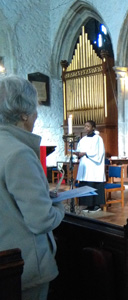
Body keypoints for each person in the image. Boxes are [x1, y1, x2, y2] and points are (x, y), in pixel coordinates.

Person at [0, 76, 65, 299]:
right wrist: (59, 207)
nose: (36, 115)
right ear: (23, 114)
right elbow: (41, 220)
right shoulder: (19, 153)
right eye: (34, 108)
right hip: (22, 265)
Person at [75, 120, 106, 212]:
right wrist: (78, 153)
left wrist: (86, 153)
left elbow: (99, 153)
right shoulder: (83, 139)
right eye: (85, 126)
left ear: (93, 127)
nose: (86, 128)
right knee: (86, 184)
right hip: (85, 166)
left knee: (93, 184)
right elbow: (79, 149)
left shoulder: (98, 139)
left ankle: (96, 205)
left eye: (88, 126)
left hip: (94, 167)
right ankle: (88, 204)